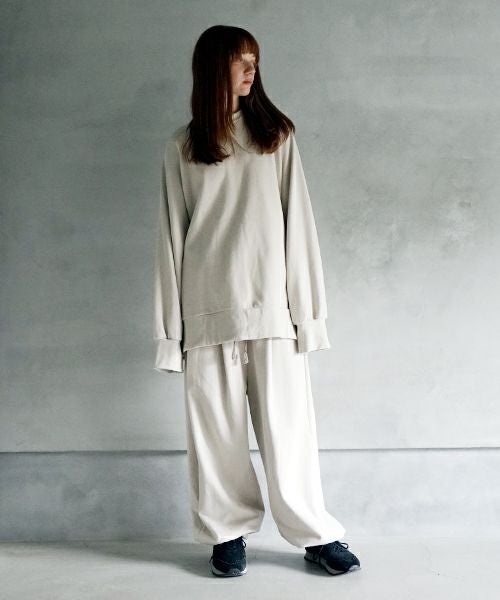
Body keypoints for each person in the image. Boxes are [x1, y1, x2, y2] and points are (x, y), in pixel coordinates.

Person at [153, 24, 361, 578]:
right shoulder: (183, 147)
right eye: (239, 60)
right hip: (206, 312)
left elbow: (300, 228)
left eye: (254, 60)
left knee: (289, 431)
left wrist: (307, 317)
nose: (251, 70)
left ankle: (315, 534)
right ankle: (227, 534)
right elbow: (171, 242)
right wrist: (171, 335)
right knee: (215, 435)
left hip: (272, 311)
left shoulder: (276, 137)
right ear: (212, 68)